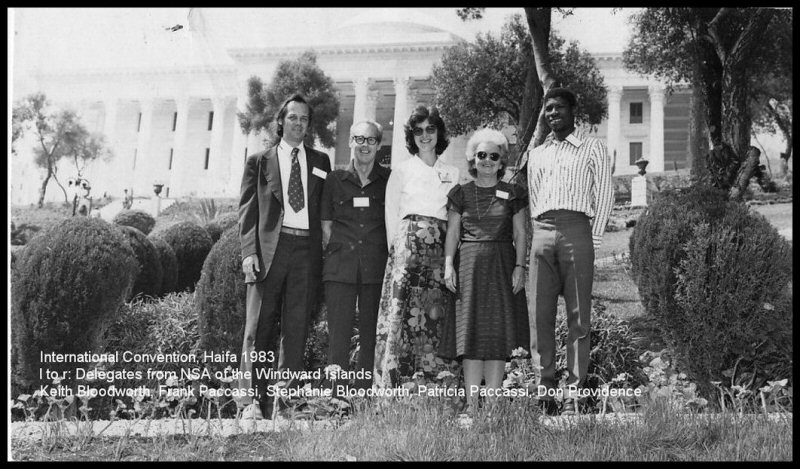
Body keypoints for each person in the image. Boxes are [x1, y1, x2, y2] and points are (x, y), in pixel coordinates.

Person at [237, 93, 332, 420]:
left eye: (304, 119)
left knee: (296, 329)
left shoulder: (321, 162)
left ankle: (285, 403)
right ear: (281, 121)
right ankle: (251, 402)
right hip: (268, 253)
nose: (298, 123)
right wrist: (249, 251)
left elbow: (324, 212)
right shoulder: (259, 161)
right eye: (293, 117)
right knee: (258, 327)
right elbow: (247, 211)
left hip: (305, 252)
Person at [525, 88, 614, 415]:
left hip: (578, 230)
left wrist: (593, 240)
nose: (552, 113)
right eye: (548, 109)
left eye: (559, 107)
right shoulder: (537, 154)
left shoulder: (593, 147)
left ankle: (575, 390)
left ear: (573, 111)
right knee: (540, 314)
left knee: (579, 316)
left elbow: (604, 195)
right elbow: (535, 198)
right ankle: (545, 386)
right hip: (542, 233)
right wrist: (538, 237)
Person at [440, 128, 529, 414]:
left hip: (503, 267)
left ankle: (492, 404)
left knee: (497, 335)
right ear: (472, 159)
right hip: (468, 267)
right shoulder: (460, 193)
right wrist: (448, 266)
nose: (487, 161)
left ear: (502, 161)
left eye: (494, 156)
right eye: (482, 155)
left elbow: (521, 233)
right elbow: (452, 234)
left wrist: (520, 266)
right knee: (471, 335)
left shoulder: (513, 193)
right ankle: (472, 404)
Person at [373, 105, 460, 389]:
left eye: (430, 130)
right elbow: (391, 216)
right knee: (403, 318)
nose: (425, 136)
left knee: (435, 318)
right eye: (419, 131)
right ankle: (395, 386)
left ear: (439, 133)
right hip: (406, 257)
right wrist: (398, 257)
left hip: (438, 258)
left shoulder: (453, 173)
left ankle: (435, 387)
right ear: (412, 136)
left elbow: (454, 218)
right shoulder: (401, 171)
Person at [321, 120, 390, 393]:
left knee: (371, 333)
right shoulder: (334, 180)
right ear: (350, 141)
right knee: (338, 333)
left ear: (379, 146)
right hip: (341, 266)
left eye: (371, 140)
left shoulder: (388, 180)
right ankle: (335, 394)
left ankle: (363, 394)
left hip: (375, 266)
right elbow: (326, 226)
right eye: (359, 139)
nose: (365, 145)